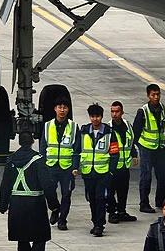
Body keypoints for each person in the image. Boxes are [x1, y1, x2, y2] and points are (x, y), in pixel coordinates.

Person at [0, 131, 59, 251]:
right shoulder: (38, 159)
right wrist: (54, 205)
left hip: (16, 203)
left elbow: (5, 184)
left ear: (19, 142)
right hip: (35, 203)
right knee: (41, 236)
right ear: (32, 142)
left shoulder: (11, 159)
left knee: (22, 237)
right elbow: (47, 184)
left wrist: (3, 205)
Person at [73, 104, 115, 237]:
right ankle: (95, 221)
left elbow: (115, 153)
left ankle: (99, 225)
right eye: (92, 116)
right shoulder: (83, 132)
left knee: (100, 198)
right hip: (88, 172)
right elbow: (77, 151)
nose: (95, 119)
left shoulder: (110, 133)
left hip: (103, 172)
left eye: (97, 116)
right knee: (91, 198)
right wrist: (76, 167)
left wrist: (111, 171)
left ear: (101, 117)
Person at [41, 101, 76, 231]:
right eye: (59, 107)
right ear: (55, 109)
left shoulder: (73, 126)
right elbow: (43, 146)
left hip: (67, 167)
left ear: (68, 110)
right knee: (48, 190)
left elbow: (77, 149)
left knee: (66, 194)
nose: (62, 110)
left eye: (64, 107)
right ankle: (55, 208)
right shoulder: (47, 125)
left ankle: (62, 220)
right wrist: (42, 163)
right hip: (51, 165)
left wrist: (75, 166)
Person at [134, 84, 165, 213]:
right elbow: (136, 132)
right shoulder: (143, 111)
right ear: (148, 96)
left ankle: (160, 201)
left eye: (158, 94)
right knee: (146, 177)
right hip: (147, 148)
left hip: (160, 148)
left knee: (162, 177)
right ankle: (144, 203)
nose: (156, 97)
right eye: (153, 95)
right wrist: (140, 147)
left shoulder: (163, 108)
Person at [107, 101, 138, 224]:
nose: (114, 114)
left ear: (122, 112)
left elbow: (131, 142)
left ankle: (121, 212)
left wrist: (134, 155)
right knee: (110, 191)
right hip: (113, 166)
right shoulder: (108, 128)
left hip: (125, 165)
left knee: (123, 191)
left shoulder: (128, 125)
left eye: (117, 111)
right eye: (112, 111)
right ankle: (112, 213)